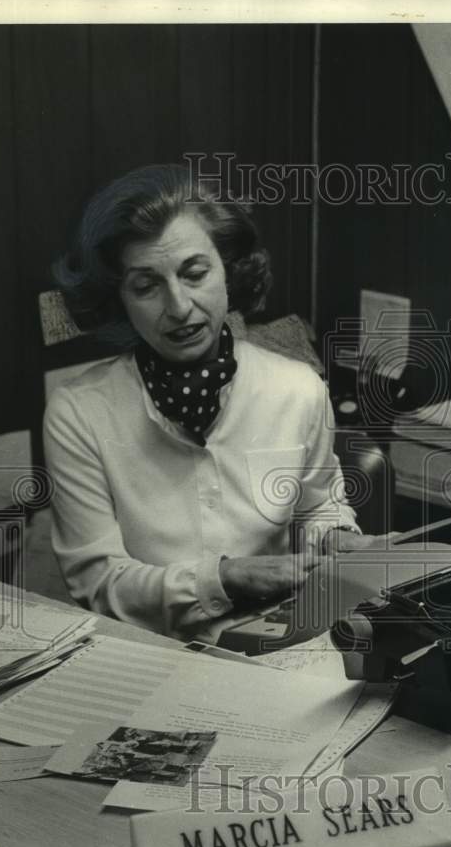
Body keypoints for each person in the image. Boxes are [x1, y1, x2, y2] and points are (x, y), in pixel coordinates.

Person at [44, 163, 385, 642]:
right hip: (145, 651)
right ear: (119, 299)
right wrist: (224, 578)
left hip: (279, 643)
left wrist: (337, 541)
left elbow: (317, 509)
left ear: (229, 270)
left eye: (194, 273)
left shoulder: (298, 388)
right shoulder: (77, 412)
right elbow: (98, 582)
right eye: (146, 286)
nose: (179, 306)